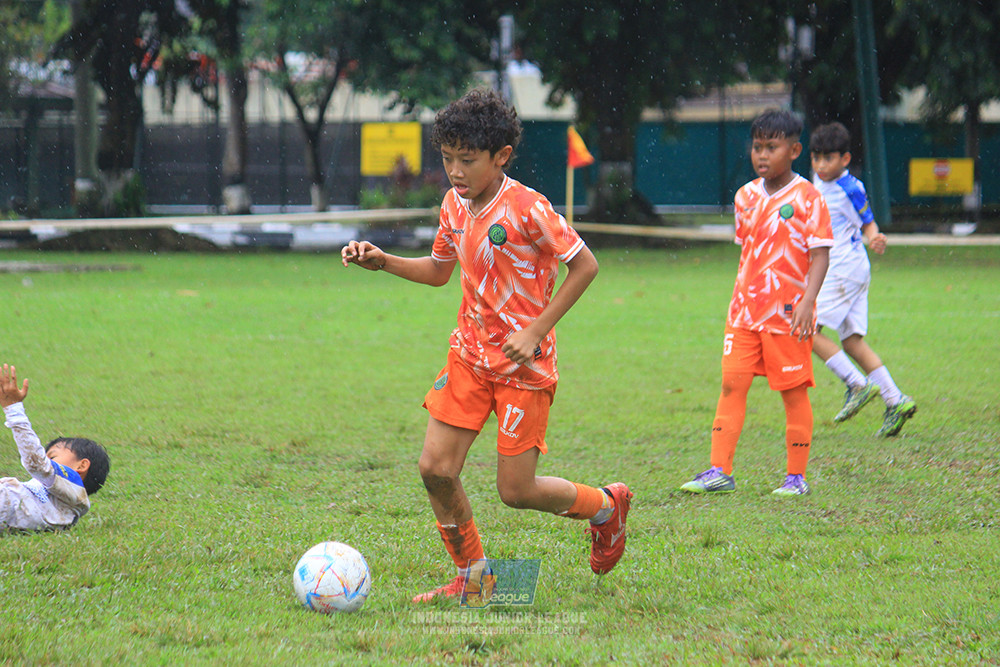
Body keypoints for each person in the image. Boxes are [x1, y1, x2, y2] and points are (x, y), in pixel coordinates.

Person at [342, 88, 632, 602]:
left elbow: (584, 264)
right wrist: (383, 260)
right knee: (435, 469)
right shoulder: (453, 204)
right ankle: (475, 578)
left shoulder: (529, 209)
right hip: (469, 358)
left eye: (467, 160)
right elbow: (438, 272)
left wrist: (537, 329)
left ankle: (606, 507)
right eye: (448, 158)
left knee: (515, 492)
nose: (455, 171)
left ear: (501, 157)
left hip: (524, 367)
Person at [680, 109, 833, 497]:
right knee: (732, 385)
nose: (762, 155)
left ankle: (796, 477)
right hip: (744, 313)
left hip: (788, 314)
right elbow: (751, 254)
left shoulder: (808, 198)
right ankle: (719, 470)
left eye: (772, 147)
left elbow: (820, 255)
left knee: (793, 391)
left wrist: (807, 302)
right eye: (757, 147)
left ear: (795, 149)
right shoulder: (744, 197)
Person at [809, 122, 916, 436]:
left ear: (845, 159)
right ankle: (896, 400)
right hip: (850, 270)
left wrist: (875, 237)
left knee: (806, 331)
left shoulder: (850, 187)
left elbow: (868, 221)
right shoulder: (816, 180)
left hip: (841, 269)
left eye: (828, 158)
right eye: (816, 158)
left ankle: (856, 384)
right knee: (852, 342)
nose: (820, 165)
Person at [1, 364, 110, 531]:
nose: (47, 461)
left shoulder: (74, 488)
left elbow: (37, 464)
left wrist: (13, 409)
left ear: (81, 466)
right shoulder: (59, 504)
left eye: (52, 457)